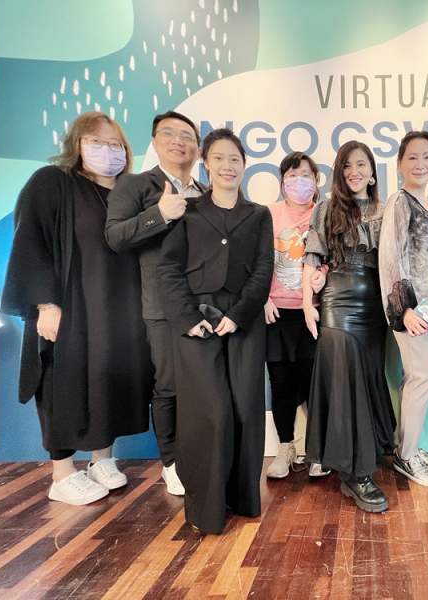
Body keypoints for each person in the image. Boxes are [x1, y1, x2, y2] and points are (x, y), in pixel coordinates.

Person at [1, 111, 152, 505]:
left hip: (119, 310)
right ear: (77, 145)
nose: (107, 150)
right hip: (69, 306)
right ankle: (62, 472)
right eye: (96, 141)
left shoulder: (130, 194)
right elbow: (30, 240)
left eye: (115, 144)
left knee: (109, 381)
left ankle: (102, 459)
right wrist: (45, 303)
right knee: (62, 382)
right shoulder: (53, 182)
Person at [156, 128, 273, 534]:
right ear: (205, 163)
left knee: (244, 409)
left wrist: (239, 315)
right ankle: (206, 509)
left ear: (245, 166)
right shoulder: (186, 210)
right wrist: (188, 318)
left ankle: (242, 498)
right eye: (219, 158)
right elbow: (168, 269)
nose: (227, 165)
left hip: (244, 320)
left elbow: (263, 270)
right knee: (210, 411)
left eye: (235, 159)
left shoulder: (258, 214)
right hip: (197, 320)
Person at [105, 111, 206, 496]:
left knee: (203, 386)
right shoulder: (135, 185)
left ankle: (200, 454)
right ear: (154, 142)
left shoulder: (207, 191)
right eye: (169, 133)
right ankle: (172, 463)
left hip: (207, 307)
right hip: (161, 306)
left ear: (198, 149)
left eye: (187, 135)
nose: (179, 141)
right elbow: (115, 237)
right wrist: (159, 214)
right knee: (170, 385)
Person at [303, 141, 396, 513]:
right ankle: (357, 474)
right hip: (337, 304)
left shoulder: (387, 210)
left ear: (372, 172)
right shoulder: (326, 208)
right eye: (346, 166)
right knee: (345, 384)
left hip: (376, 309)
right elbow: (313, 257)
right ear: (339, 173)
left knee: (367, 378)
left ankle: (359, 457)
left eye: (361, 164)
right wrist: (306, 303)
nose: (354, 171)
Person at [379, 131, 428, 488]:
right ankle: (406, 457)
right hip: (412, 312)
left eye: (427, 157)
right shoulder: (400, 201)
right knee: (423, 378)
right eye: (412, 157)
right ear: (399, 164)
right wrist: (404, 310)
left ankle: (411, 447)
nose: (420, 164)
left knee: (420, 378)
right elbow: (391, 257)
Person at [264, 151, 329, 479]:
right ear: (282, 181)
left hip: (314, 312)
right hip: (276, 313)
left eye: (305, 175)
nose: (299, 181)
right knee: (281, 384)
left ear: (316, 181)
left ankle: (317, 450)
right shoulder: (269, 213)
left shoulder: (324, 213)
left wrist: (324, 273)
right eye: (292, 175)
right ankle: (285, 447)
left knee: (314, 382)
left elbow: (334, 254)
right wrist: (263, 298)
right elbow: (257, 259)